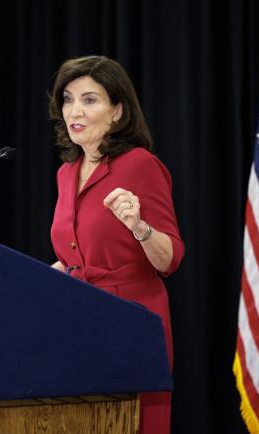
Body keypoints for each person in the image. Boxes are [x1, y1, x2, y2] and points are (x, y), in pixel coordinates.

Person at [49, 55, 184, 434]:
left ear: (117, 111)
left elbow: (170, 258)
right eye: (68, 99)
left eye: (90, 99)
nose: (75, 110)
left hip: (129, 320)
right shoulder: (66, 173)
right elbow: (73, 257)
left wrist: (140, 227)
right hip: (75, 318)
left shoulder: (139, 165)